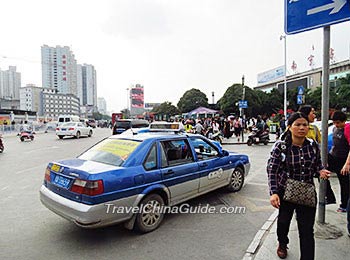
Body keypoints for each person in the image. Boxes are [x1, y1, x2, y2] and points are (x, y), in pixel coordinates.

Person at [267, 112, 330, 259]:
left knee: (307, 230)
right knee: (283, 223)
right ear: (289, 127)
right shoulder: (281, 147)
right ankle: (282, 243)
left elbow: (317, 166)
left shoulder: (312, 145)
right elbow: (272, 170)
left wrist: (321, 171)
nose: (302, 128)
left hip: (307, 192)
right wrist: (274, 192)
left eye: (305, 125)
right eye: (297, 125)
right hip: (285, 192)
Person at [298, 105, 336, 204]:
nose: (314, 115)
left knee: (321, 178)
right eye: (312, 112)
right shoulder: (294, 127)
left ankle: (329, 197)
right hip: (299, 162)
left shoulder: (314, 128)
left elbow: (321, 144)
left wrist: (323, 159)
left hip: (314, 161)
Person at [328, 111, 350, 213]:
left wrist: (347, 164)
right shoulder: (335, 129)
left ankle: (344, 205)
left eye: (338, 123)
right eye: (335, 122)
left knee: (344, 183)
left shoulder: (347, 129)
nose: (336, 125)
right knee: (320, 171)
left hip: (343, 160)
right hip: (334, 157)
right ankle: (329, 196)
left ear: (343, 121)